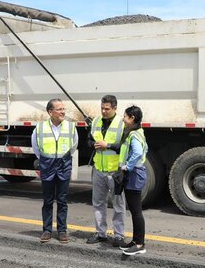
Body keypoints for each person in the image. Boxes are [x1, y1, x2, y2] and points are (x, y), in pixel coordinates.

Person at [31, 98, 78, 244]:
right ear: (50, 112)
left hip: (63, 165)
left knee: (62, 200)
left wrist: (61, 158)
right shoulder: (39, 128)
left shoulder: (70, 127)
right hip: (48, 166)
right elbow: (36, 147)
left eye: (63, 109)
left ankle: (62, 231)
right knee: (48, 200)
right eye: (59, 109)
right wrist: (48, 159)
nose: (63, 111)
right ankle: (47, 230)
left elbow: (73, 146)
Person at [86, 94, 126, 247]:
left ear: (115, 108)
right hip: (98, 170)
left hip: (115, 172)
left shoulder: (122, 124)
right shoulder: (96, 121)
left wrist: (107, 146)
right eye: (102, 108)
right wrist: (93, 144)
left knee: (118, 205)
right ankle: (100, 233)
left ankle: (119, 236)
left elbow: (124, 147)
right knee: (98, 203)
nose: (103, 111)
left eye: (107, 109)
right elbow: (88, 140)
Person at [118, 105, 148, 256]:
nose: (123, 119)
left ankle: (139, 244)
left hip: (134, 174)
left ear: (132, 118)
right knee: (135, 210)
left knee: (136, 211)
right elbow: (145, 149)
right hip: (137, 172)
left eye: (125, 116)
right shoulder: (139, 132)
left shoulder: (134, 135)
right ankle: (136, 240)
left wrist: (127, 166)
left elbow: (137, 152)